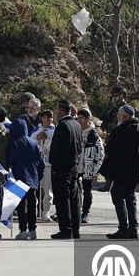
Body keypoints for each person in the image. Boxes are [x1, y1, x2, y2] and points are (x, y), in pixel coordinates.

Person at [99, 105, 139, 239]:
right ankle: (133, 228)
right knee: (130, 198)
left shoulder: (122, 130)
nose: (117, 117)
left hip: (121, 170)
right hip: (135, 170)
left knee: (118, 196)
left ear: (124, 117)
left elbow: (111, 149)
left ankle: (123, 228)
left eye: (119, 115)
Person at [48, 99, 84, 239]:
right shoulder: (76, 125)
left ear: (62, 111)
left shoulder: (63, 125)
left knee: (63, 199)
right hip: (73, 166)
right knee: (74, 198)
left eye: (57, 110)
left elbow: (58, 150)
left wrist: (55, 168)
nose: (56, 113)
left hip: (62, 167)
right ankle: (75, 229)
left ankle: (66, 229)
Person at [6, 117, 44, 240]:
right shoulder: (34, 143)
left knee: (22, 205)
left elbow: (10, 158)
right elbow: (41, 161)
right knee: (32, 204)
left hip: (19, 176)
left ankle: (23, 229)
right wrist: (39, 175)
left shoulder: (14, 142)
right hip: (33, 177)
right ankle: (33, 230)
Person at [78, 108, 104, 224]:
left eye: (81, 118)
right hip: (76, 167)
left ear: (88, 119)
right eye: (78, 118)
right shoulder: (77, 132)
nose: (79, 120)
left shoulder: (94, 136)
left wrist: (96, 171)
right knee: (74, 191)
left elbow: (99, 155)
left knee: (87, 191)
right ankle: (75, 211)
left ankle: (85, 213)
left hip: (88, 168)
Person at [32, 109, 55, 221]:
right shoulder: (35, 130)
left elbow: (56, 145)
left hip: (48, 164)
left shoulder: (55, 131)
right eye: (47, 117)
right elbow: (31, 144)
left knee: (48, 189)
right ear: (42, 118)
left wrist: (47, 139)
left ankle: (46, 211)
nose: (49, 120)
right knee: (34, 188)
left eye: (51, 117)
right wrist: (38, 138)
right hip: (36, 164)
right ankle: (33, 210)